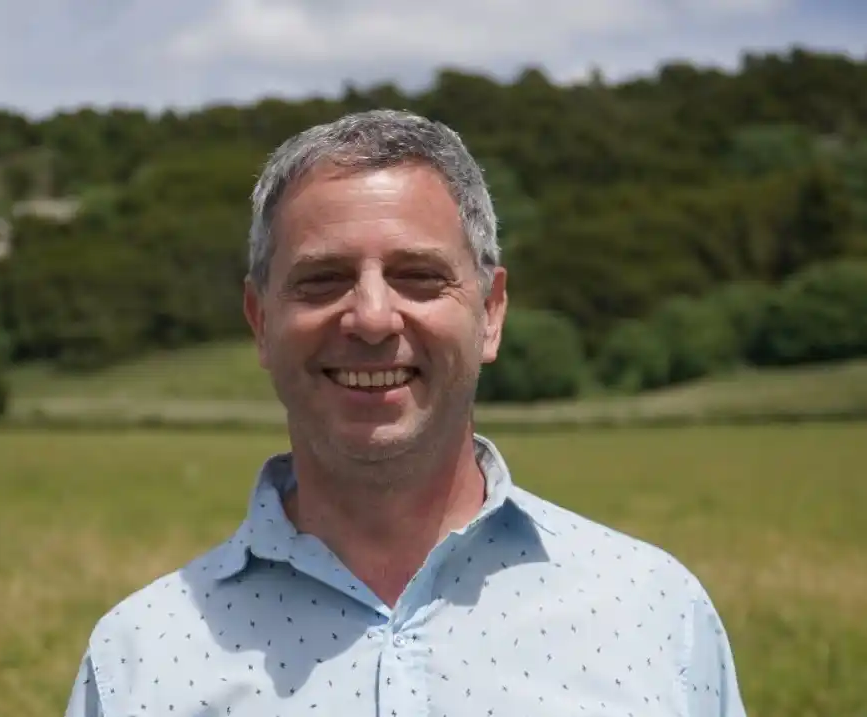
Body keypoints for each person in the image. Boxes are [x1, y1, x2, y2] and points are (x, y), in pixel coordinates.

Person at [65, 109, 747, 717]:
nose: (370, 316)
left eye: (419, 276)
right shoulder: (139, 660)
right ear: (259, 320)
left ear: (491, 314)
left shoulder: (653, 613)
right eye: (322, 278)